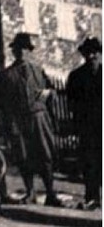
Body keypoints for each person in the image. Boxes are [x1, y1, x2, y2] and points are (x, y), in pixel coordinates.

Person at [0, 33, 61, 207]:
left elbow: (51, 90)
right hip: (19, 120)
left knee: (45, 155)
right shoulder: (6, 75)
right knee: (24, 156)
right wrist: (9, 120)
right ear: (14, 51)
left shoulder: (38, 70)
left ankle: (50, 193)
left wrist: (48, 94)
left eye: (25, 48)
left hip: (39, 118)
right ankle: (30, 192)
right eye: (18, 49)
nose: (22, 52)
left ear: (28, 51)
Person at [66, 37, 102, 209]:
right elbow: (71, 103)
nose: (91, 56)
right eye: (88, 53)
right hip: (87, 127)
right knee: (89, 162)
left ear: (99, 54)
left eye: (95, 53)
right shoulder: (76, 76)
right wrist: (75, 127)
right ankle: (92, 197)